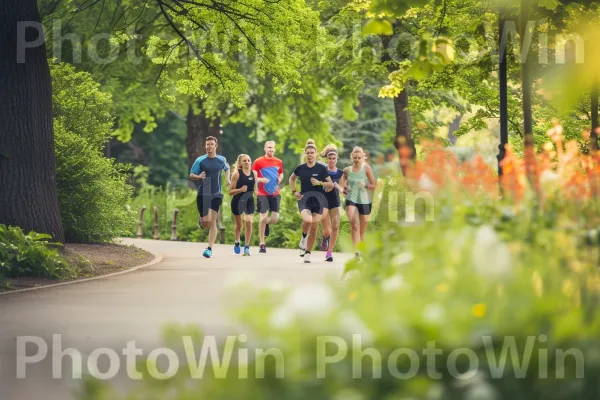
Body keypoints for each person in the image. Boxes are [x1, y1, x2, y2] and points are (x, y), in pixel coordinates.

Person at [288, 139, 334, 263]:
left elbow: (330, 185)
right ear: (305, 154)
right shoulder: (300, 168)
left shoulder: (322, 168)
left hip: (319, 200)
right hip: (305, 199)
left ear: (316, 154)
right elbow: (291, 179)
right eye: (307, 153)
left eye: (312, 153)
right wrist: (294, 191)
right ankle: (303, 238)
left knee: (314, 227)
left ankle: (308, 252)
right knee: (308, 220)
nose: (309, 155)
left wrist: (320, 182)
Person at [189, 136, 230, 258]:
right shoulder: (200, 160)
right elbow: (191, 174)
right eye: (207, 144)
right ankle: (201, 220)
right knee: (205, 223)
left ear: (215, 146)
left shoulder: (221, 159)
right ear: (205, 146)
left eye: (211, 144)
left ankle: (209, 248)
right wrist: (199, 177)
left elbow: (227, 168)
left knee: (213, 221)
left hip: (216, 193)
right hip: (204, 192)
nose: (209, 146)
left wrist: (227, 178)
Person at [339, 146, 376, 260]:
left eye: (359, 158)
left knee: (361, 232)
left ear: (362, 158)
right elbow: (341, 184)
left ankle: (360, 249)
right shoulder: (347, 170)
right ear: (352, 158)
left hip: (364, 201)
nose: (356, 160)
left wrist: (365, 185)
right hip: (351, 200)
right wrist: (344, 189)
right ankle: (356, 253)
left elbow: (374, 186)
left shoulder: (366, 169)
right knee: (355, 226)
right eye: (354, 158)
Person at [229, 154, 269, 256]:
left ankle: (247, 246)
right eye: (244, 161)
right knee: (239, 226)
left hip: (249, 201)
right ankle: (237, 242)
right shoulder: (236, 174)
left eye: (248, 160)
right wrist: (240, 190)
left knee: (249, 221)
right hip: (237, 201)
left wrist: (256, 192)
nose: (247, 162)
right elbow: (230, 192)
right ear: (240, 164)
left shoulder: (254, 173)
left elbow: (254, 187)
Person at [251, 140, 284, 254]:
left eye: (272, 148)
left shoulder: (278, 162)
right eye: (269, 147)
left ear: (275, 149)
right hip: (262, 193)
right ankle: (262, 243)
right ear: (265, 148)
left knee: (274, 219)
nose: (271, 149)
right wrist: (261, 180)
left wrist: (280, 178)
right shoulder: (258, 162)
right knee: (263, 217)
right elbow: (253, 177)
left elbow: (281, 173)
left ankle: (267, 224)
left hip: (275, 193)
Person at [319, 144, 344, 262]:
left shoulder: (341, 173)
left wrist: (338, 187)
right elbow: (316, 185)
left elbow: (344, 190)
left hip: (335, 201)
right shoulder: (322, 171)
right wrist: (325, 187)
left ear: (337, 159)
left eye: (334, 158)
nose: (331, 161)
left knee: (335, 227)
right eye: (329, 158)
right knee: (327, 229)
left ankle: (329, 253)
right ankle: (325, 237)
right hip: (323, 201)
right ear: (327, 159)